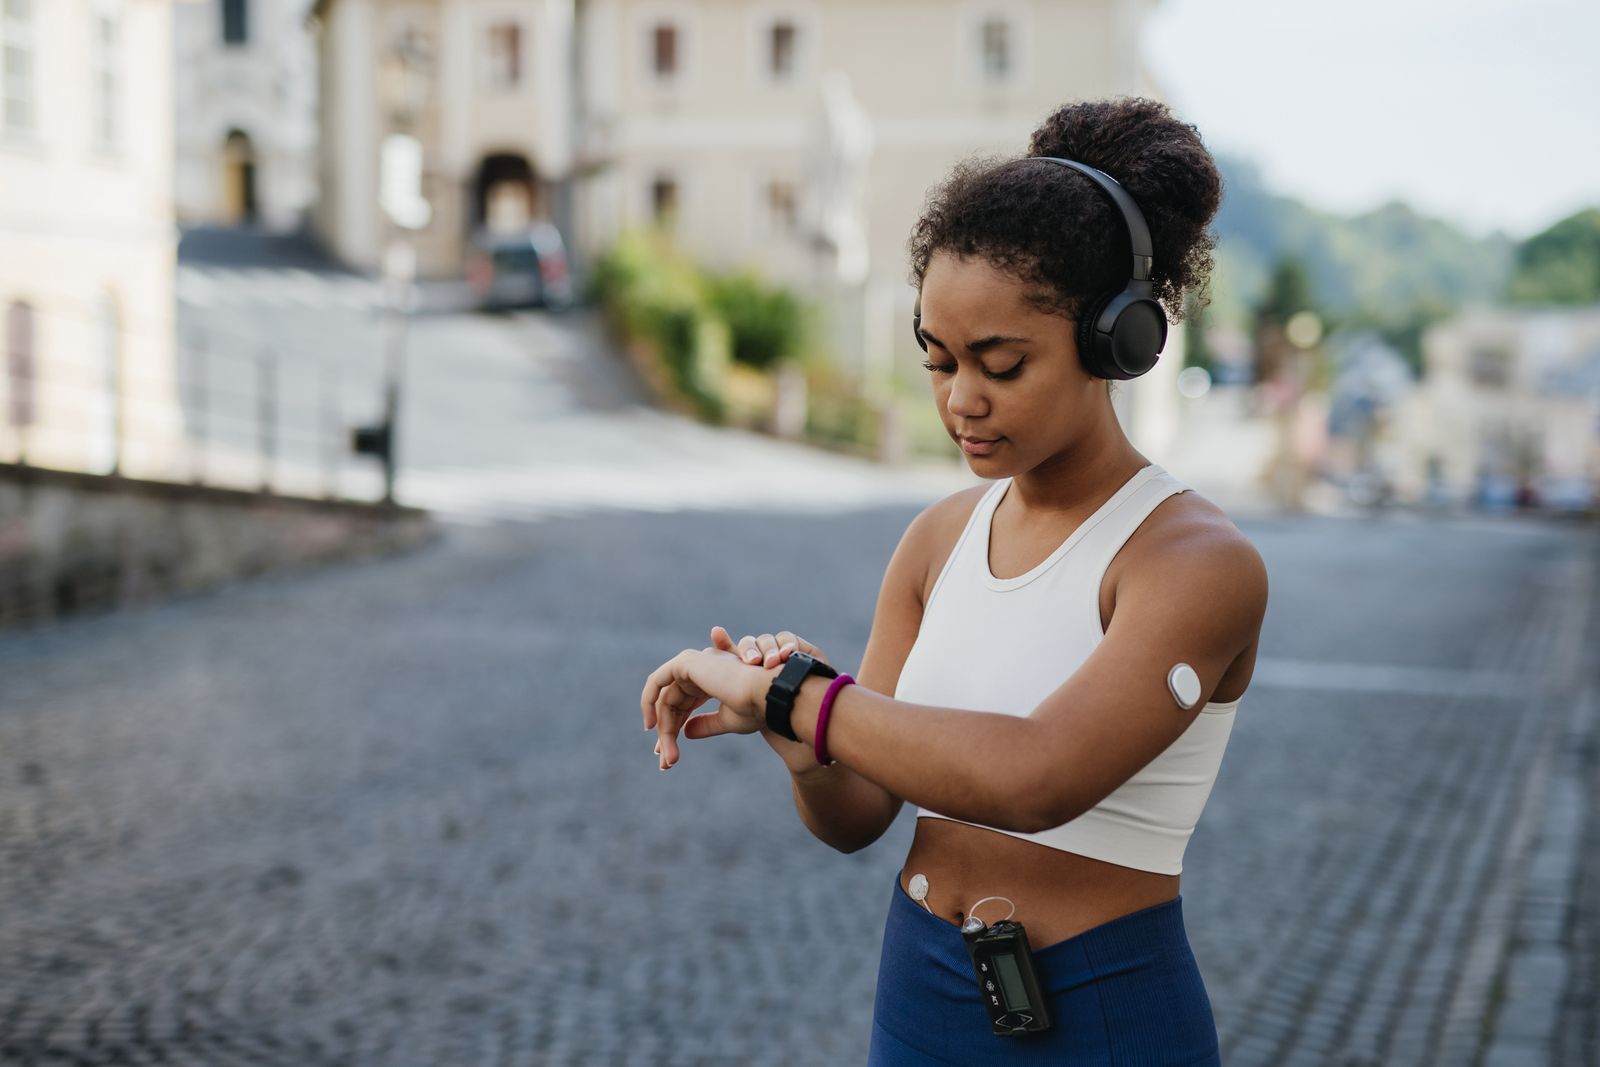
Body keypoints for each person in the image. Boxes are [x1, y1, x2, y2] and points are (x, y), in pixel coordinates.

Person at [639, 97, 1267, 1065]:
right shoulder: (937, 539)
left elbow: (1035, 775)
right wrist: (798, 741)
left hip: (1100, 1010)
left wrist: (800, 695)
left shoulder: (1191, 559)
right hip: (922, 988)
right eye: (936, 360)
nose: (959, 398)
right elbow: (859, 815)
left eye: (1000, 363)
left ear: (1117, 343)